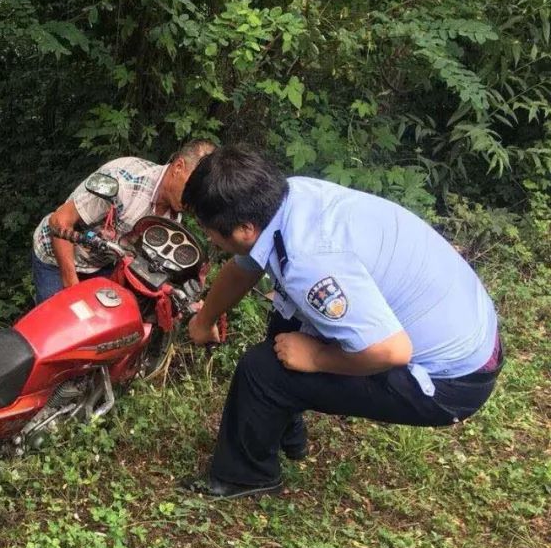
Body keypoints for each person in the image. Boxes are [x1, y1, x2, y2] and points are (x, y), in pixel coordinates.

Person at [180, 145, 502, 499]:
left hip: (451, 380)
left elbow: (391, 351)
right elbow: (245, 268)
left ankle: (246, 476)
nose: (207, 236)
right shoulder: (288, 198)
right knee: (288, 317)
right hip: (466, 324)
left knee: (263, 370)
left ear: (244, 228)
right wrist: (205, 318)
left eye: (208, 229)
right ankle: (283, 426)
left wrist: (316, 358)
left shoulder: (308, 263)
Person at [30, 140, 216, 302]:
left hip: (100, 264)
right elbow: (59, 221)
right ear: (178, 167)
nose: (195, 201)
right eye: (194, 189)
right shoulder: (125, 181)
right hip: (55, 257)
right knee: (61, 328)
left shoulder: (174, 213)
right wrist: (73, 290)